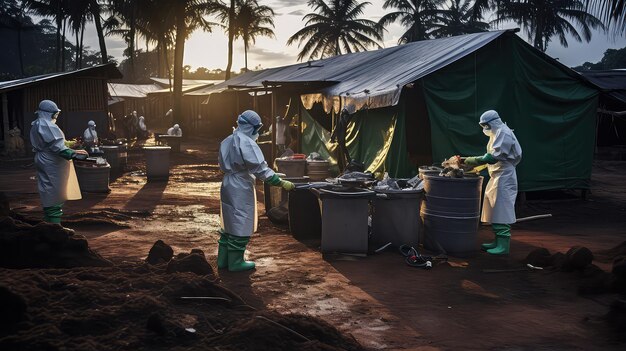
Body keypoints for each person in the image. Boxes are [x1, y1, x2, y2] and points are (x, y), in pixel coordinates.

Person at [218, 110, 295, 272]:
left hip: (227, 183)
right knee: (240, 220)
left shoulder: (228, 140)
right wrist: (280, 182)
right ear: (252, 127)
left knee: (229, 220)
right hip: (240, 185)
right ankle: (236, 262)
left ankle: (223, 260)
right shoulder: (246, 142)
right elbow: (260, 168)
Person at [461, 110, 522, 255]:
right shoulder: (497, 133)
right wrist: (477, 165)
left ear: (493, 122)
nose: (484, 128)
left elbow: (493, 157)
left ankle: (503, 246)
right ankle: (497, 241)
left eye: (485, 125)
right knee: (494, 208)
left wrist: (471, 160)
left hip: (505, 176)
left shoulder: (504, 132)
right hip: (497, 175)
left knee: (501, 209)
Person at [30, 100, 88, 223]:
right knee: (54, 194)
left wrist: (72, 144)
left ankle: (51, 224)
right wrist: (74, 154)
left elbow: (56, 142)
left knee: (50, 192)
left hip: (46, 160)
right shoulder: (46, 125)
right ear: (48, 113)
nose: (55, 116)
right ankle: (54, 227)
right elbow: (57, 147)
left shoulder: (38, 123)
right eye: (54, 114)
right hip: (51, 162)